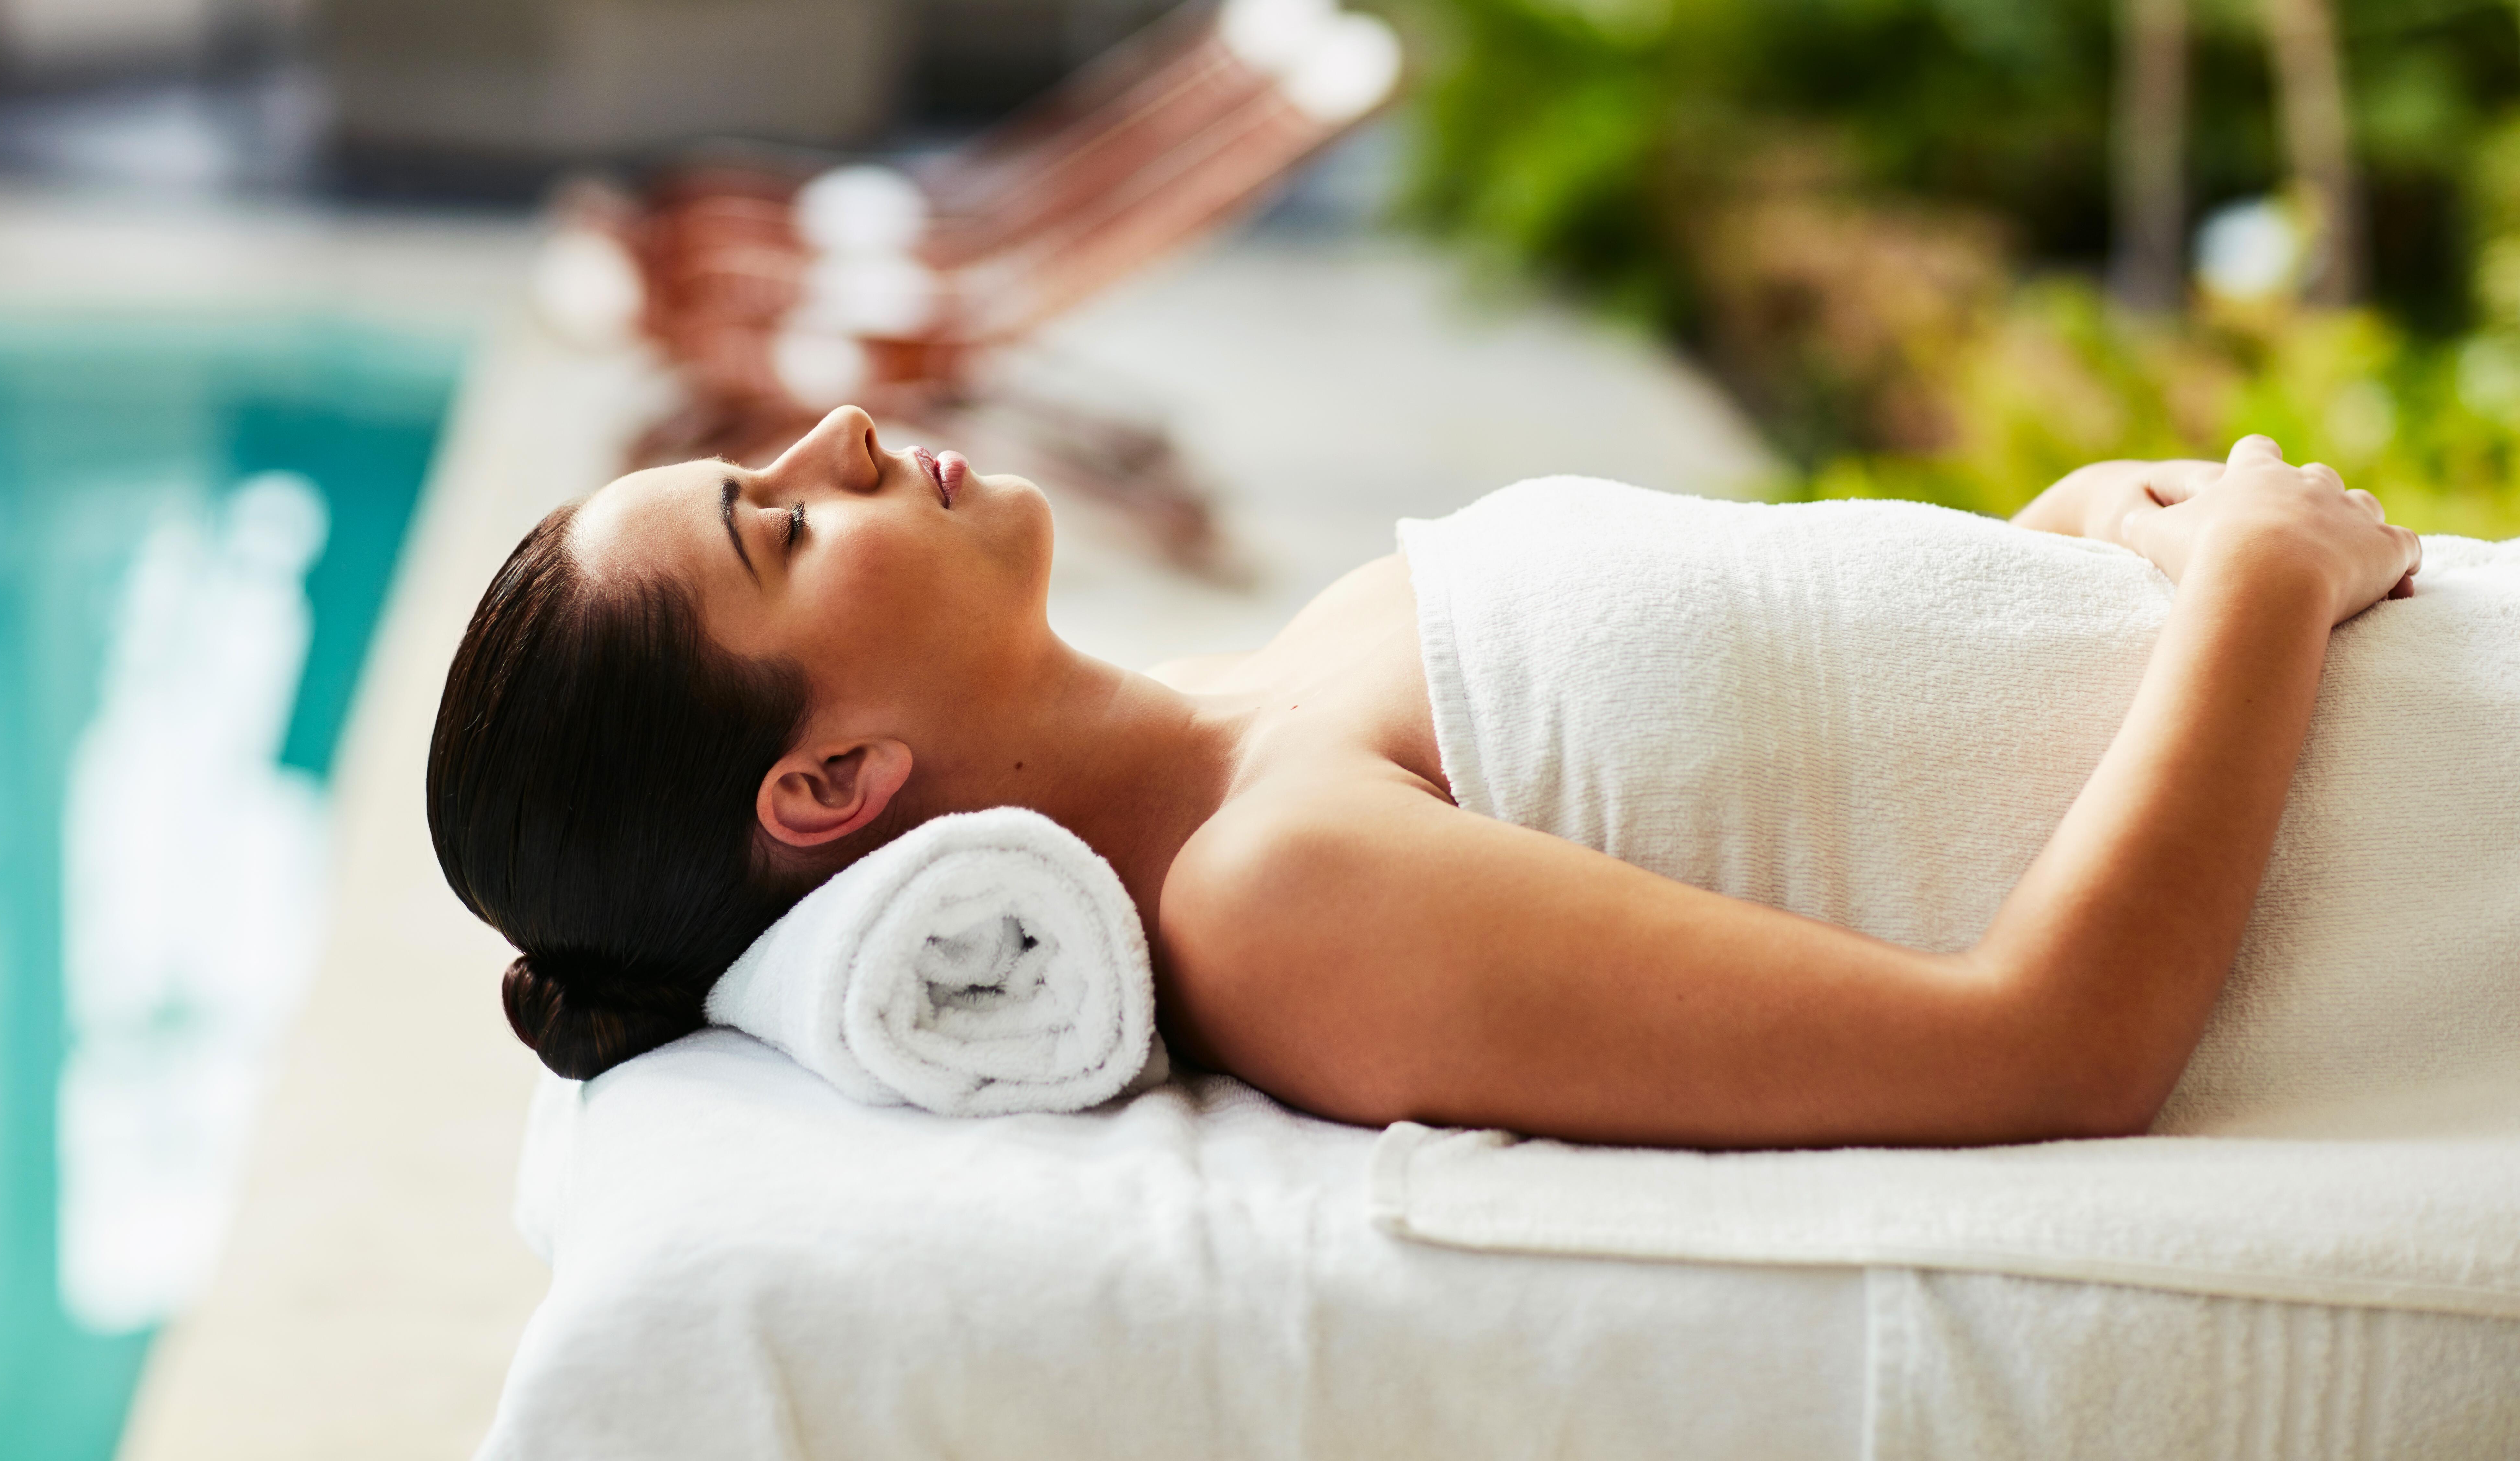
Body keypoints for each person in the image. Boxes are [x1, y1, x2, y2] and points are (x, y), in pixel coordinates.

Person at [427, 406, 2425, 1148]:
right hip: (2423, 836)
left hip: (2374, 649)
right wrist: (2250, 586)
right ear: (831, 782)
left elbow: (1824, 736)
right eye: (773, 531)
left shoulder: (1271, 684)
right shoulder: (1280, 897)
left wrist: (2058, 545)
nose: (839, 433)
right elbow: (2044, 1051)